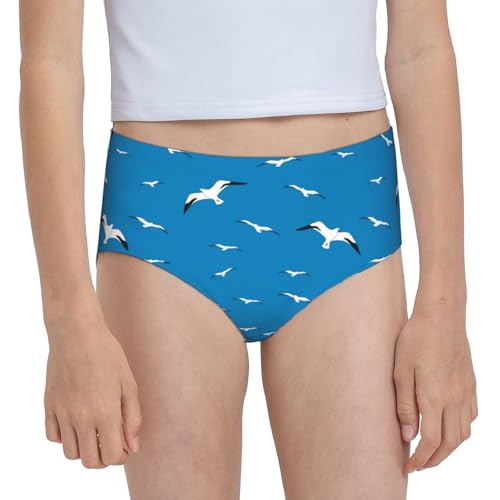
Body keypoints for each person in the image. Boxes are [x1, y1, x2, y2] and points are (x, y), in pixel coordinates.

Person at [19, 1, 477, 499]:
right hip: (164, 208)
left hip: (347, 198)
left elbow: (421, 48)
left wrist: (445, 310)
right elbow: (50, 61)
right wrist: (69, 324)